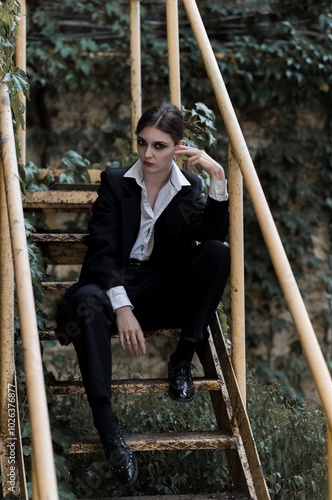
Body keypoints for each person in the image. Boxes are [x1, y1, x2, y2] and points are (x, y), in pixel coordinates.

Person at [55, 101, 230, 487]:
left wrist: (218, 177)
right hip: (112, 285)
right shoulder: (116, 182)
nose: (148, 154)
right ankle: (110, 433)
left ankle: (183, 358)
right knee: (84, 302)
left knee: (217, 253)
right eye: (142, 143)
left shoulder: (190, 188)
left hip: (161, 288)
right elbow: (101, 251)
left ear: (179, 147)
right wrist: (122, 305)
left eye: (159, 146)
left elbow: (214, 235)